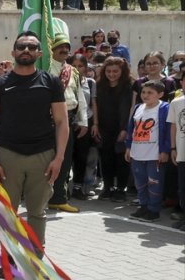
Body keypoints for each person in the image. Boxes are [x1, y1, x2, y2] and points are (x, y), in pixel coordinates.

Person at [0, 32, 68, 273]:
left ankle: (35, 259)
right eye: (22, 46)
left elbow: (62, 122)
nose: (27, 50)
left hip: (43, 155)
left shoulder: (50, 82)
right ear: (13, 52)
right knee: (8, 213)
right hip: (8, 155)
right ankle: (8, 259)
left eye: (32, 47)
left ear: (39, 53)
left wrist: (59, 158)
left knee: (37, 212)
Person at [46, 25, 88, 214]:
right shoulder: (45, 69)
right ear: (52, 49)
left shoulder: (73, 71)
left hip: (69, 118)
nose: (64, 50)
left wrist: (83, 121)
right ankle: (42, 196)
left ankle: (58, 198)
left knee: (65, 159)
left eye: (66, 47)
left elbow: (79, 97)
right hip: (47, 119)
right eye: (60, 46)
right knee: (46, 159)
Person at [125, 81, 171, 221]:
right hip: (137, 152)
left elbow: (168, 131)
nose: (145, 95)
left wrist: (165, 150)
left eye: (150, 92)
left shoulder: (164, 108)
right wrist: (128, 147)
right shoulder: (138, 107)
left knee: (154, 182)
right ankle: (143, 206)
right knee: (140, 182)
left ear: (160, 94)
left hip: (154, 154)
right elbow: (131, 129)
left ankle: (153, 210)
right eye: (143, 92)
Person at [93, 56, 133, 201]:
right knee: (105, 158)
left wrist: (125, 128)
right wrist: (96, 125)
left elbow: (130, 109)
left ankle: (121, 189)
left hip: (123, 127)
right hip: (104, 127)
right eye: (108, 71)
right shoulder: (100, 85)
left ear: (122, 71)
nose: (111, 74)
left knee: (122, 159)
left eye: (115, 71)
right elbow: (95, 106)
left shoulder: (129, 86)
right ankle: (107, 186)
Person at [70, 53, 96, 200]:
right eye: (74, 65)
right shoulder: (63, 81)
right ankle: (63, 186)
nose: (77, 68)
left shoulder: (90, 82)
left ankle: (79, 186)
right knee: (67, 156)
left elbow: (94, 105)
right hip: (69, 122)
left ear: (85, 68)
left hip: (86, 122)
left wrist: (95, 124)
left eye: (80, 66)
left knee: (82, 155)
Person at [167, 84, 185, 229]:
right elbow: (173, 126)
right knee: (182, 187)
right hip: (181, 151)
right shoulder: (176, 102)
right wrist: (173, 148)